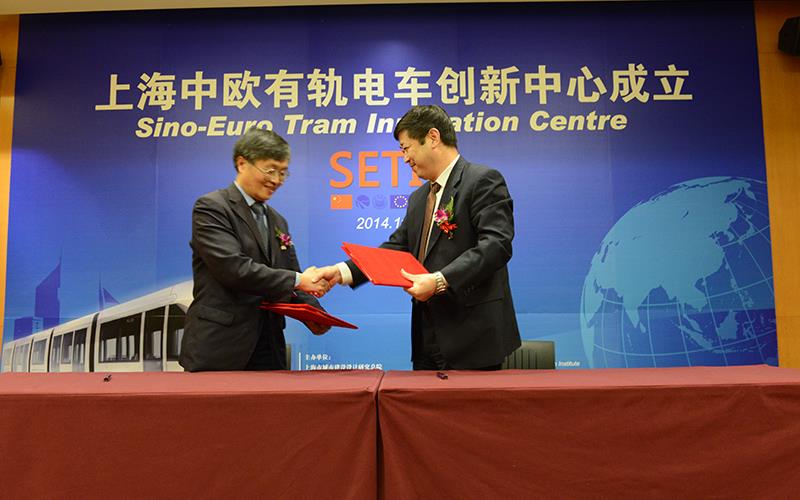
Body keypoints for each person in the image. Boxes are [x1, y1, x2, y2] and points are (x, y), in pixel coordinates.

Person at [320, 105, 521, 370]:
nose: (405, 159)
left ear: (433, 137)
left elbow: (496, 245)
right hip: (427, 337)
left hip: (474, 336)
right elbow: (396, 248)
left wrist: (439, 281)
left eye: (406, 148)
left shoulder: (482, 180)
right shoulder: (418, 198)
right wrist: (341, 272)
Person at [180, 127, 331, 372]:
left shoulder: (278, 221)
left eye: (283, 172)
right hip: (220, 345)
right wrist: (300, 280)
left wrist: (314, 314)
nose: (277, 180)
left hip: (269, 345)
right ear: (242, 163)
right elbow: (233, 269)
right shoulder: (212, 208)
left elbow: (289, 275)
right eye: (270, 170)